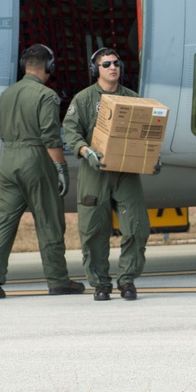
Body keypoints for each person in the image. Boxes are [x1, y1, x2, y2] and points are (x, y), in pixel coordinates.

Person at [0, 44, 86, 299]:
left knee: (3, 223)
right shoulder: (46, 96)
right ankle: (58, 279)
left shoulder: (7, 94)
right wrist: (61, 169)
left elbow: (3, 132)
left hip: (9, 160)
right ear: (49, 67)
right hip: (35, 159)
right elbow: (50, 137)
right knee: (49, 220)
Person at [63, 47, 154, 302]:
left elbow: (145, 134)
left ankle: (127, 280)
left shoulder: (133, 99)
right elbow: (71, 130)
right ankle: (100, 283)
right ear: (96, 70)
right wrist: (85, 150)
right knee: (93, 230)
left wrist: (151, 158)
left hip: (125, 173)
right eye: (106, 64)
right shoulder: (83, 100)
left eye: (116, 63)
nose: (112, 67)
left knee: (137, 226)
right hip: (95, 172)